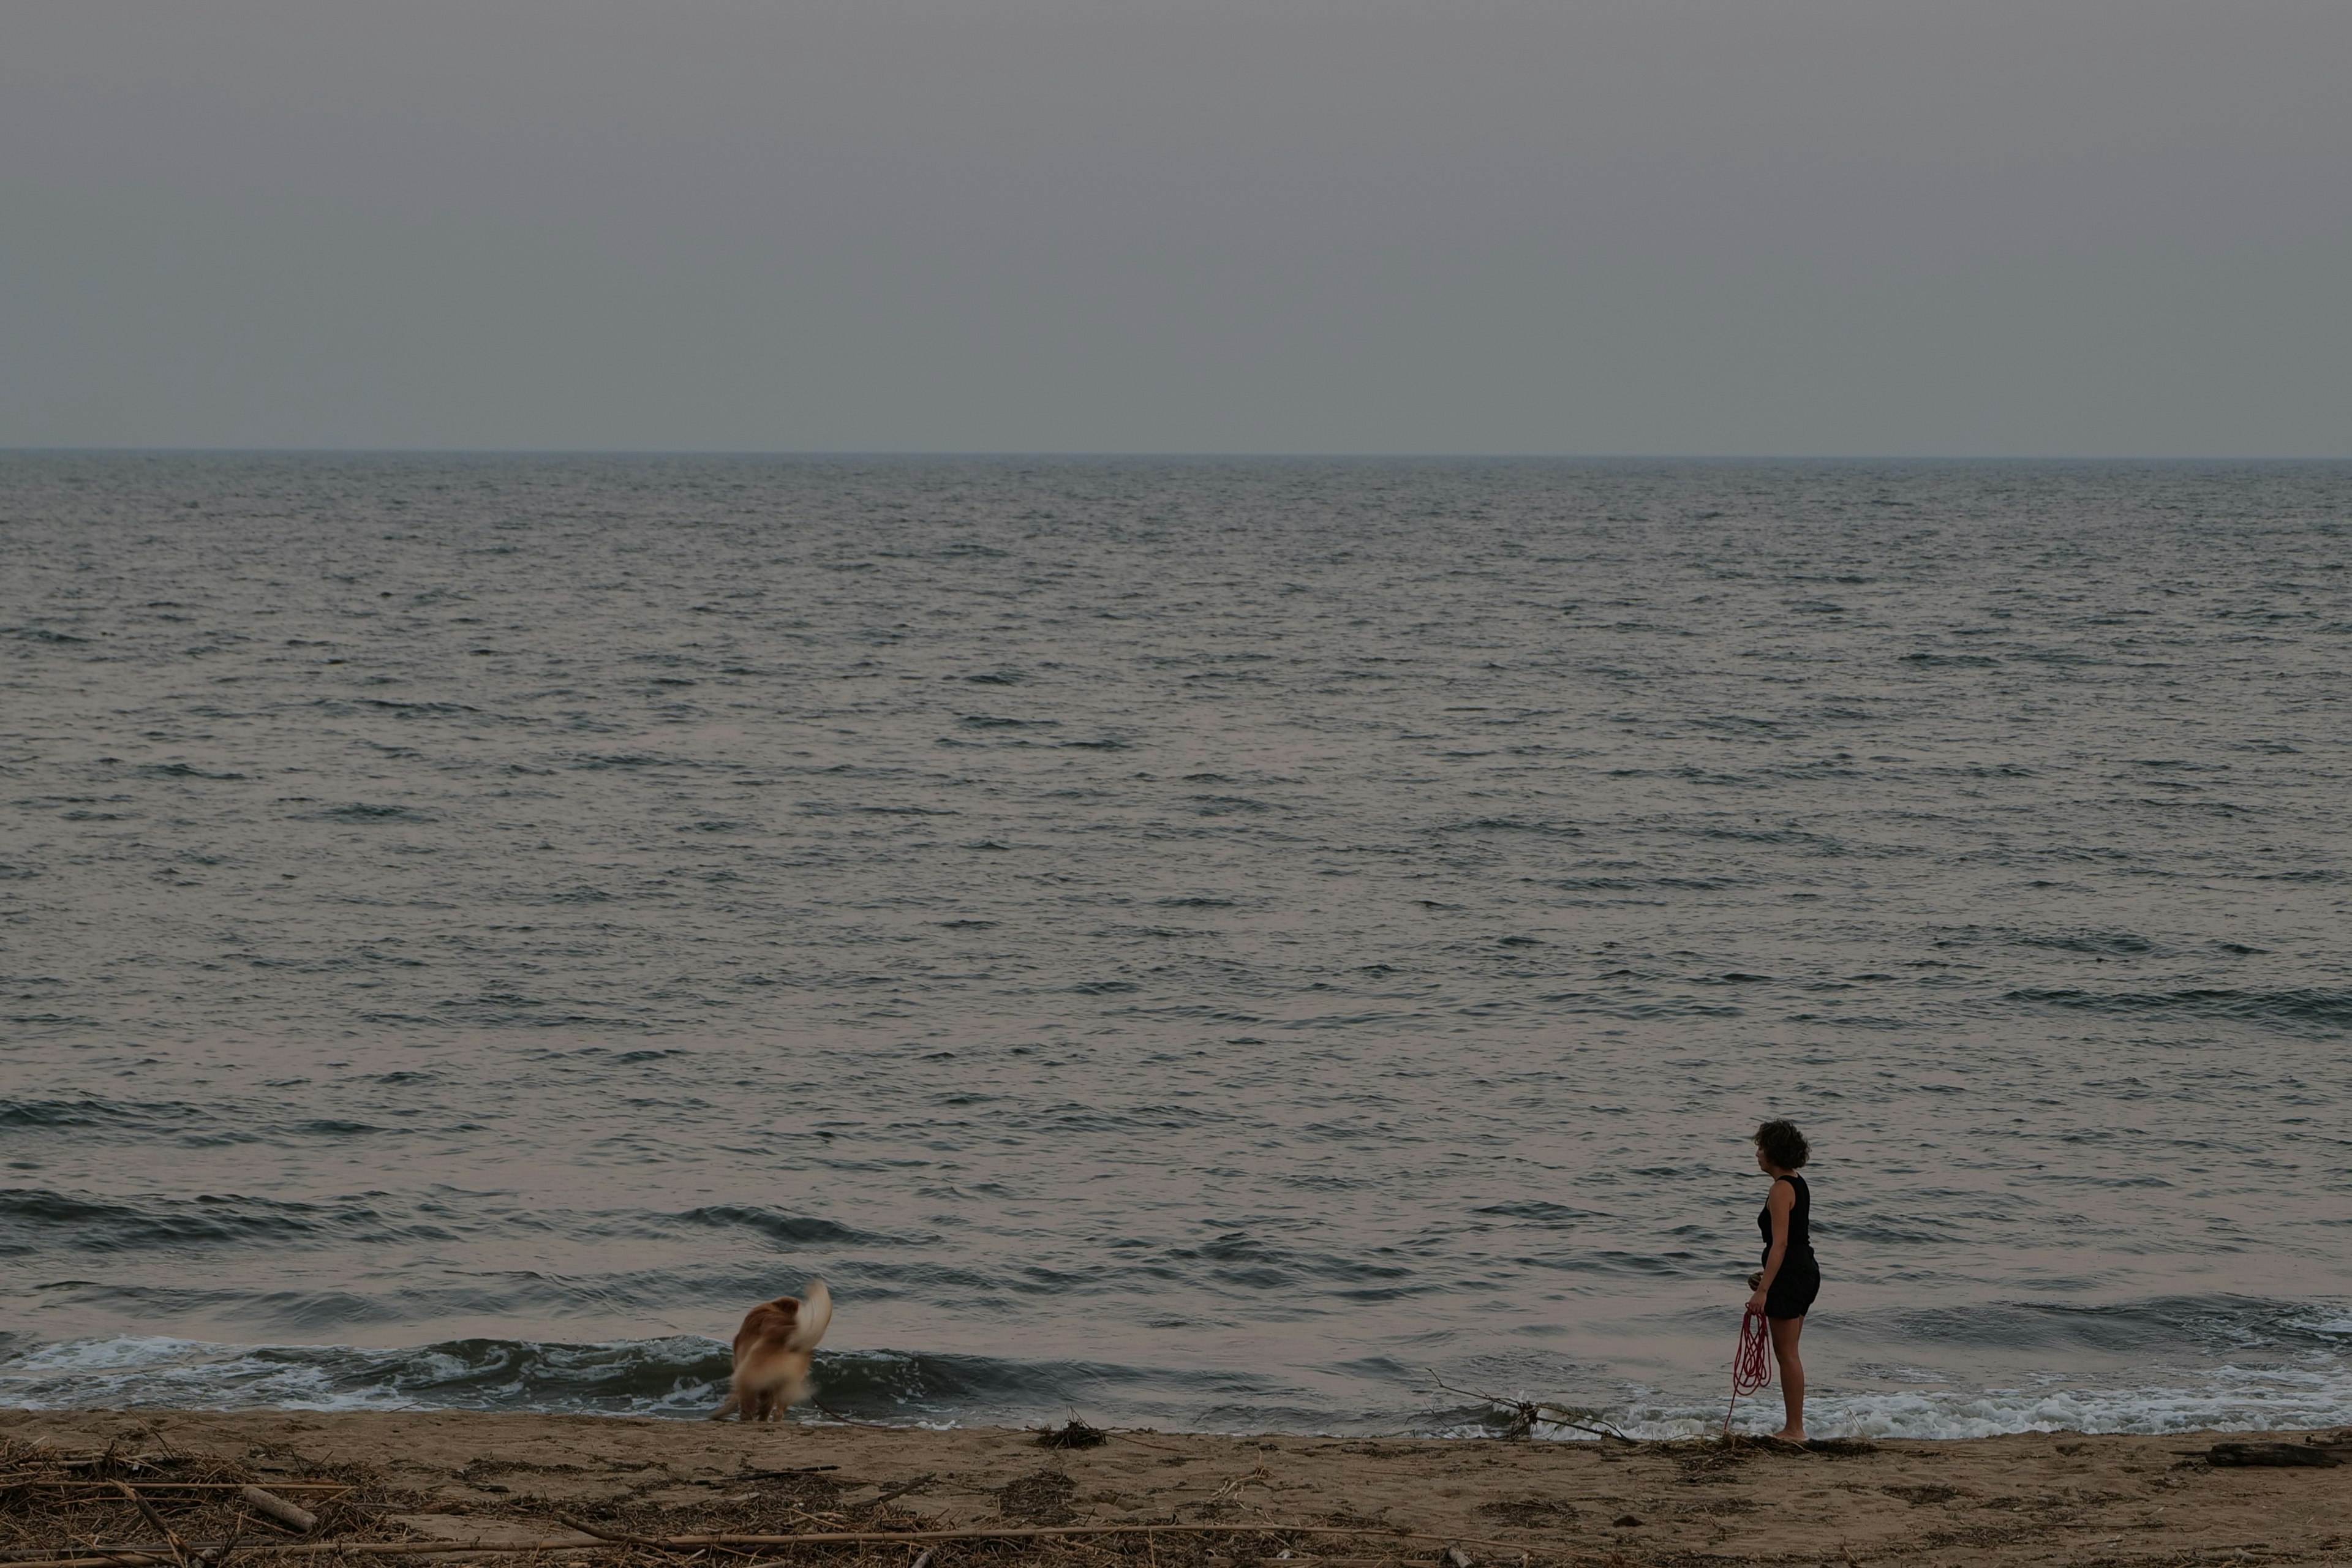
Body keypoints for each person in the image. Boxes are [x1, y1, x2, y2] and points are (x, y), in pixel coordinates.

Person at [1745, 1118, 1819, 1441]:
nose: (1758, 1153)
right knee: (1790, 1352)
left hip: (1792, 1272)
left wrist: (1763, 1291)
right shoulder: (1797, 1183)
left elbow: (1781, 1243)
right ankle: (1795, 1426)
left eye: (1761, 1147)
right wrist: (1767, 1278)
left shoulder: (1779, 1189)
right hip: (1804, 1270)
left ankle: (1794, 1429)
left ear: (1774, 1151)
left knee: (1786, 1353)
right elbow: (1793, 1243)